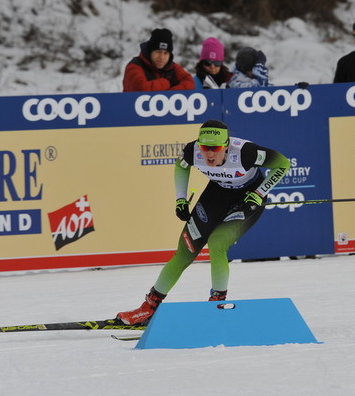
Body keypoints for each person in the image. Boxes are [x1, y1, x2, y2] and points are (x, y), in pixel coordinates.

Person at [116, 119, 291, 325]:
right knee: (185, 251)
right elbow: (181, 167)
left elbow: (283, 163)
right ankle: (148, 308)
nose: (208, 154)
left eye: (215, 149)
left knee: (217, 243)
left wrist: (259, 193)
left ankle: (216, 306)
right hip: (216, 196)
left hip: (247, 199)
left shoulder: (246, 152)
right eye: (204, 148)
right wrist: (181, 199)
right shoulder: (192, 151)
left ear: (226, 145)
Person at [123, 28, 195, 92]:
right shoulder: (134, 66)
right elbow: (142, 89)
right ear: (150, 52)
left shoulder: (172, 67)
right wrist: (168, 83)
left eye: (166, 53)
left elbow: (189, 82)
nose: (162, 57)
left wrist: (170, 93)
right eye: (158, 52)